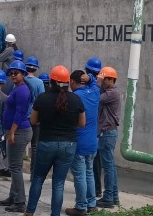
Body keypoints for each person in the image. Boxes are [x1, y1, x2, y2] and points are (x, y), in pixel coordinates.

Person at [24, 66, 85, 216]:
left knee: (38, 178)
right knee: (58, 183)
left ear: (51, 81)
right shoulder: (76, 99)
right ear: (67, 82)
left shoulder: (42, 98)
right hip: (68, 145)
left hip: (46, 142)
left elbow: (33, 120)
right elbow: (82, 123)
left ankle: (30, 212)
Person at [0, 60, 32, 213]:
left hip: (19, 132)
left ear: (23, 74)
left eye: (16, 73)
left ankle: (20, 201)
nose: (13, 75)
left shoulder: (23, 90)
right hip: (15, 131)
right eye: (11, 73)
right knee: (13, 166)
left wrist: (12, 132)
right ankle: (13, 196)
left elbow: (20, 113)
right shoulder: (16, 88)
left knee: (15, 167)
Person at [66, 69, 100, 216]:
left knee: (80, 176)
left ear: (72, 82)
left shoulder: (75, 97)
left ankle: (81, 206)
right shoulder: (95, 93)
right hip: (92, 142)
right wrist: (90, 78)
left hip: (79, 142)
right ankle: (91, 204)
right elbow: (96, 83)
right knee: (89, 173)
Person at [96, 66, 121, 209]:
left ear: (111, 80)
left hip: (107, 133)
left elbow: (97, 98)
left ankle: (108, 197)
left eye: (104, 79)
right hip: (108, 132)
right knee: (110, 166)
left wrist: (97, 84)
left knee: (108, 167)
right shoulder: (111, 92)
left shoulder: (112, 93)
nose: (102, 82)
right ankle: (114, 196)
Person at [83, 57, 103, 198]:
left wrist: (89, 78)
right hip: (96, 129)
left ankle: (93, 190)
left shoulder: (92, 89)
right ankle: (96, 189)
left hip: (89, 130)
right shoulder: (99, 88)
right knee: (94, 164)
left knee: (88, 166)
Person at [24, 56, 45, 178]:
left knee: (20, 145)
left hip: (22, 117)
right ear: (36, 68)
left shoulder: (21, 80)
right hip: (35, 117)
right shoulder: (40, 82)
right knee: (35, 146)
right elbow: (42, 101)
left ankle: (15, 170)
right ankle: (33, 173)